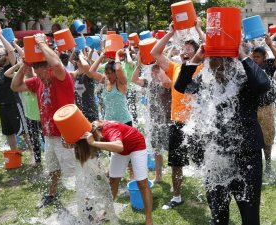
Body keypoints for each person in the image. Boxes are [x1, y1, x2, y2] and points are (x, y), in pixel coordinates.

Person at [174, 43, 271, 225]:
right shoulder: (207, 79)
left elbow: (263, 84)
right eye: (212, 67)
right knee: (218, 217)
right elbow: (182, 86)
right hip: (217, 156)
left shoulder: (245, 78)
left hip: (247, 157)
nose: (217, 74)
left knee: (250, 217)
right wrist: (196, 59)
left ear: (231, 64)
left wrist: (243, 56)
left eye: (220, 68)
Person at [11, 33, 77, 208]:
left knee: (74, 171)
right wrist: (25, 65)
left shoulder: (63, 78)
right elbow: (15, 86)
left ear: (49, 69)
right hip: (49, 134)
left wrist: (41, 43)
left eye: (42, 75)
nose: (40, 79)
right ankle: (52, 194)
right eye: (38, 76)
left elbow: (56, 63)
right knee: (53, 168)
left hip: (66, 135)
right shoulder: (38, 81)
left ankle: (85, 202)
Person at [151, 22, 203, 209]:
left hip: (198, 124)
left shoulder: (201, 67)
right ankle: (177, 196)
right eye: (183, 48)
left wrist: (198, 29)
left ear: (197, 53)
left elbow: (210, 49)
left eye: (189, 49)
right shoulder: (174, 67)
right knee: (176, 163)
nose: (185, 51)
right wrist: (170, 33)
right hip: (178, 122)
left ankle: (211, 192)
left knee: (203, 161)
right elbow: (155, 54)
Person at [79, 120, 153, 225]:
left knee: (142, 183)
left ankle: (149, 219)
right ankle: (106, 211)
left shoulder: (109, 129)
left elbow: (119, 146)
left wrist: (93, 143)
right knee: (113, 181)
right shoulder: (91, 129)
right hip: (120, 151)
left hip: (136, 146)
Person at [132, 55, 171, 183]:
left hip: (168, 121)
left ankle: (174, 174)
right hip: (155, 122)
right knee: (156, 150)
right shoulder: (149, 84)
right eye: (152, 70)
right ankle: (158, 176)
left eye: (157, 70)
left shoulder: (167, 84)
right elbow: (134, 79)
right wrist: (139, 64)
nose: (154, 72)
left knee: (171, 150)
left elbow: (167, 81)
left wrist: (162, 67)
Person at [251, 35, 276, 175]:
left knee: (268, 137)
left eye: (257, 57)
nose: (255, 59)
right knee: (254, 137)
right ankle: (257, 165)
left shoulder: (268, 65)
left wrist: (271, 45)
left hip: (267, 108)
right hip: (253, 108)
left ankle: (267, 165)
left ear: (264, 57)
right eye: (253, 56)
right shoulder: (250, 67)